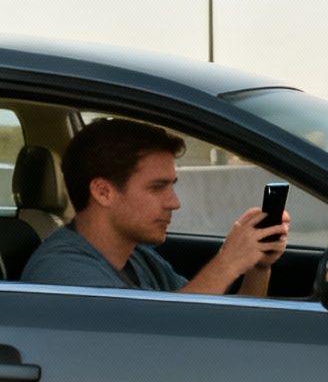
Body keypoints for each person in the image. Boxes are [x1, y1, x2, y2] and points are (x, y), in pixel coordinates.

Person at [20, 117, 290, 295]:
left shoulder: (139, 258)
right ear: (103, 192)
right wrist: (228, 263)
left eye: (172, 186)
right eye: (157, 187)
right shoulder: (62, 274)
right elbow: (156, 342)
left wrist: (257, 265)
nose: (174, 202)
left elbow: (212, 319)